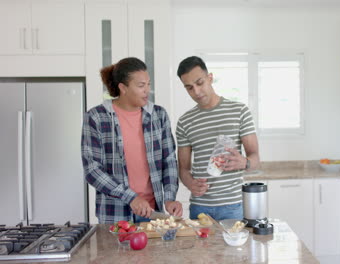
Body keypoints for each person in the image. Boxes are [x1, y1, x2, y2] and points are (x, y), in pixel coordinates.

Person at [81, 57, 182, 224]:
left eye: (148, 84)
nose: (147, 90)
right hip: (114, 215)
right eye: (141, 86)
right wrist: (131, 197)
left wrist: (170, 198)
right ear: (123, 88)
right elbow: (92, 170)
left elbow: (169, 160)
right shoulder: (96, 117)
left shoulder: (158, 115)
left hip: (152, 214)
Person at [176, 56, 260, 221]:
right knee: (201, 248)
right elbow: (183, 170)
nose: (196, 92)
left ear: (210, 78)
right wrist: (190, 184)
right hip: (199, 207)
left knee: (232, 247)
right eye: (189, 88)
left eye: (200, 83)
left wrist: (244, 162)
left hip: (232, 206)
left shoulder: (239, 111)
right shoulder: (185, 121)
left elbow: (256, 159)